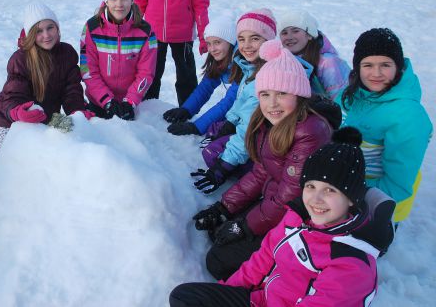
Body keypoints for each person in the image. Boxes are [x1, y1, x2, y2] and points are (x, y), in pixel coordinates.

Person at [169, 127, 396, 307]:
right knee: (185, 297)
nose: (315, 199)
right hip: (262, 299)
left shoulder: (350, 264)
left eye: (330, 190)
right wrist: (230, 290)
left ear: (351, 199)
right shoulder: (298, 216)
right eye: (310, 186)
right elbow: (264, 257)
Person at [192, 39, 335, 280]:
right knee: (217, 233)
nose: (272, 103)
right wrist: (224, 207)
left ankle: (283, 273)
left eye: (282, 93)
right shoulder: (269, 122)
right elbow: (261, 172)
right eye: (265, 94)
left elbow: (289, 197)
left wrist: (244, 226)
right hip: (276, 200)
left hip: (304, 218)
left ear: (299, 95)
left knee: (218, 262)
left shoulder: (310, 132)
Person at [337, 28, 432, 224]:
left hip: (374, 210)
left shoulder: (408, 116)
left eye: (385, 65)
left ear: (398, 67)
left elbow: (396, 184)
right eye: (368, 65)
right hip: (341, 191)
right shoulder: (352, 95)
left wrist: (349, 204)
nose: (376, 73)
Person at [0, 2, 89, 167]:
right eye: (39, 31)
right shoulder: (21, 59)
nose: (46, 35)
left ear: (58, 28)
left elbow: (72, 90)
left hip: (47, 117)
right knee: (8, 165)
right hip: (13, 119)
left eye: (50, 27)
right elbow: (13, 95)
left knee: (75, 133)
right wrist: (19, 112)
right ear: (31, 34)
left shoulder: (67, 53)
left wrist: (77, 112)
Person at [191, 9, 276, 194]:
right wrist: (228, 124)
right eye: (242, 39)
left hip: (267, 145)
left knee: (213, 153)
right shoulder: (249, 67)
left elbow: (248, 129)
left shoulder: (266, 78)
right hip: (254, 135)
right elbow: (238, 104)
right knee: (215, 135)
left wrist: (222, 168)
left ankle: (257, 178)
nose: (246, 45)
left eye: (255, 38)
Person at [80, 0, 157, 120]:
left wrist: (130, 101)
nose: (119, 4)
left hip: (132, 103)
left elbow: (146, 73)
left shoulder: (146, 31)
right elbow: (88, 71)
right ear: (106, 1)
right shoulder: (91, 28)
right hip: (99, 101)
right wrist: (107, 101)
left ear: (132, 0)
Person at [163, 12, 238, 136]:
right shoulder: (220, 58)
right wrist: (186, 109)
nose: (212, 49)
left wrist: (197, 127)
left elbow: (230, 101)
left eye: (217, 42)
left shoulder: (243, 63)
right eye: (209, 43)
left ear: (230, 41)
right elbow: (205, 87)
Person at [277, 10, 350, 99]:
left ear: (309, 35)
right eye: (284, 33)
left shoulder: (328, 63)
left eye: (295, 31)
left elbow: (341, 102)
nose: (289, 37)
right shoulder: (282, 62)